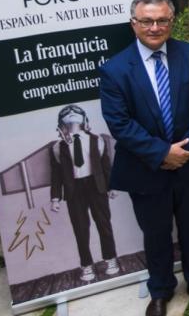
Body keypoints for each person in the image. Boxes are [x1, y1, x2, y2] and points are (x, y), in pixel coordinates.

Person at [99, 0, 189, 316]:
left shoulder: (188, 55)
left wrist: (184, 150)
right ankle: (160, 289)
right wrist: (161, 153)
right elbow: (119, 123)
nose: (155, 27)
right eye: (147, 21)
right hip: (146, 169)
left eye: (162, 20)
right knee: (156, 233)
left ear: (171, 22)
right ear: (134, 24)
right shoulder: (115, 70)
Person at [48, 104, 120, 282]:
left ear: (84, 119)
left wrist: (111, 186)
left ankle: (110, 259)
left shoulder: (97, 140)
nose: (72, 114)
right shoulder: (58, 147)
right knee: (80, 228)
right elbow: (56, 174)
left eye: (76, 112)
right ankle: (86, 264)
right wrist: (55, 198)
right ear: (61, 122)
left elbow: (105, 166)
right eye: (67, 113)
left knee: (104, 223)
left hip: (96, 186)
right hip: (74, 189)